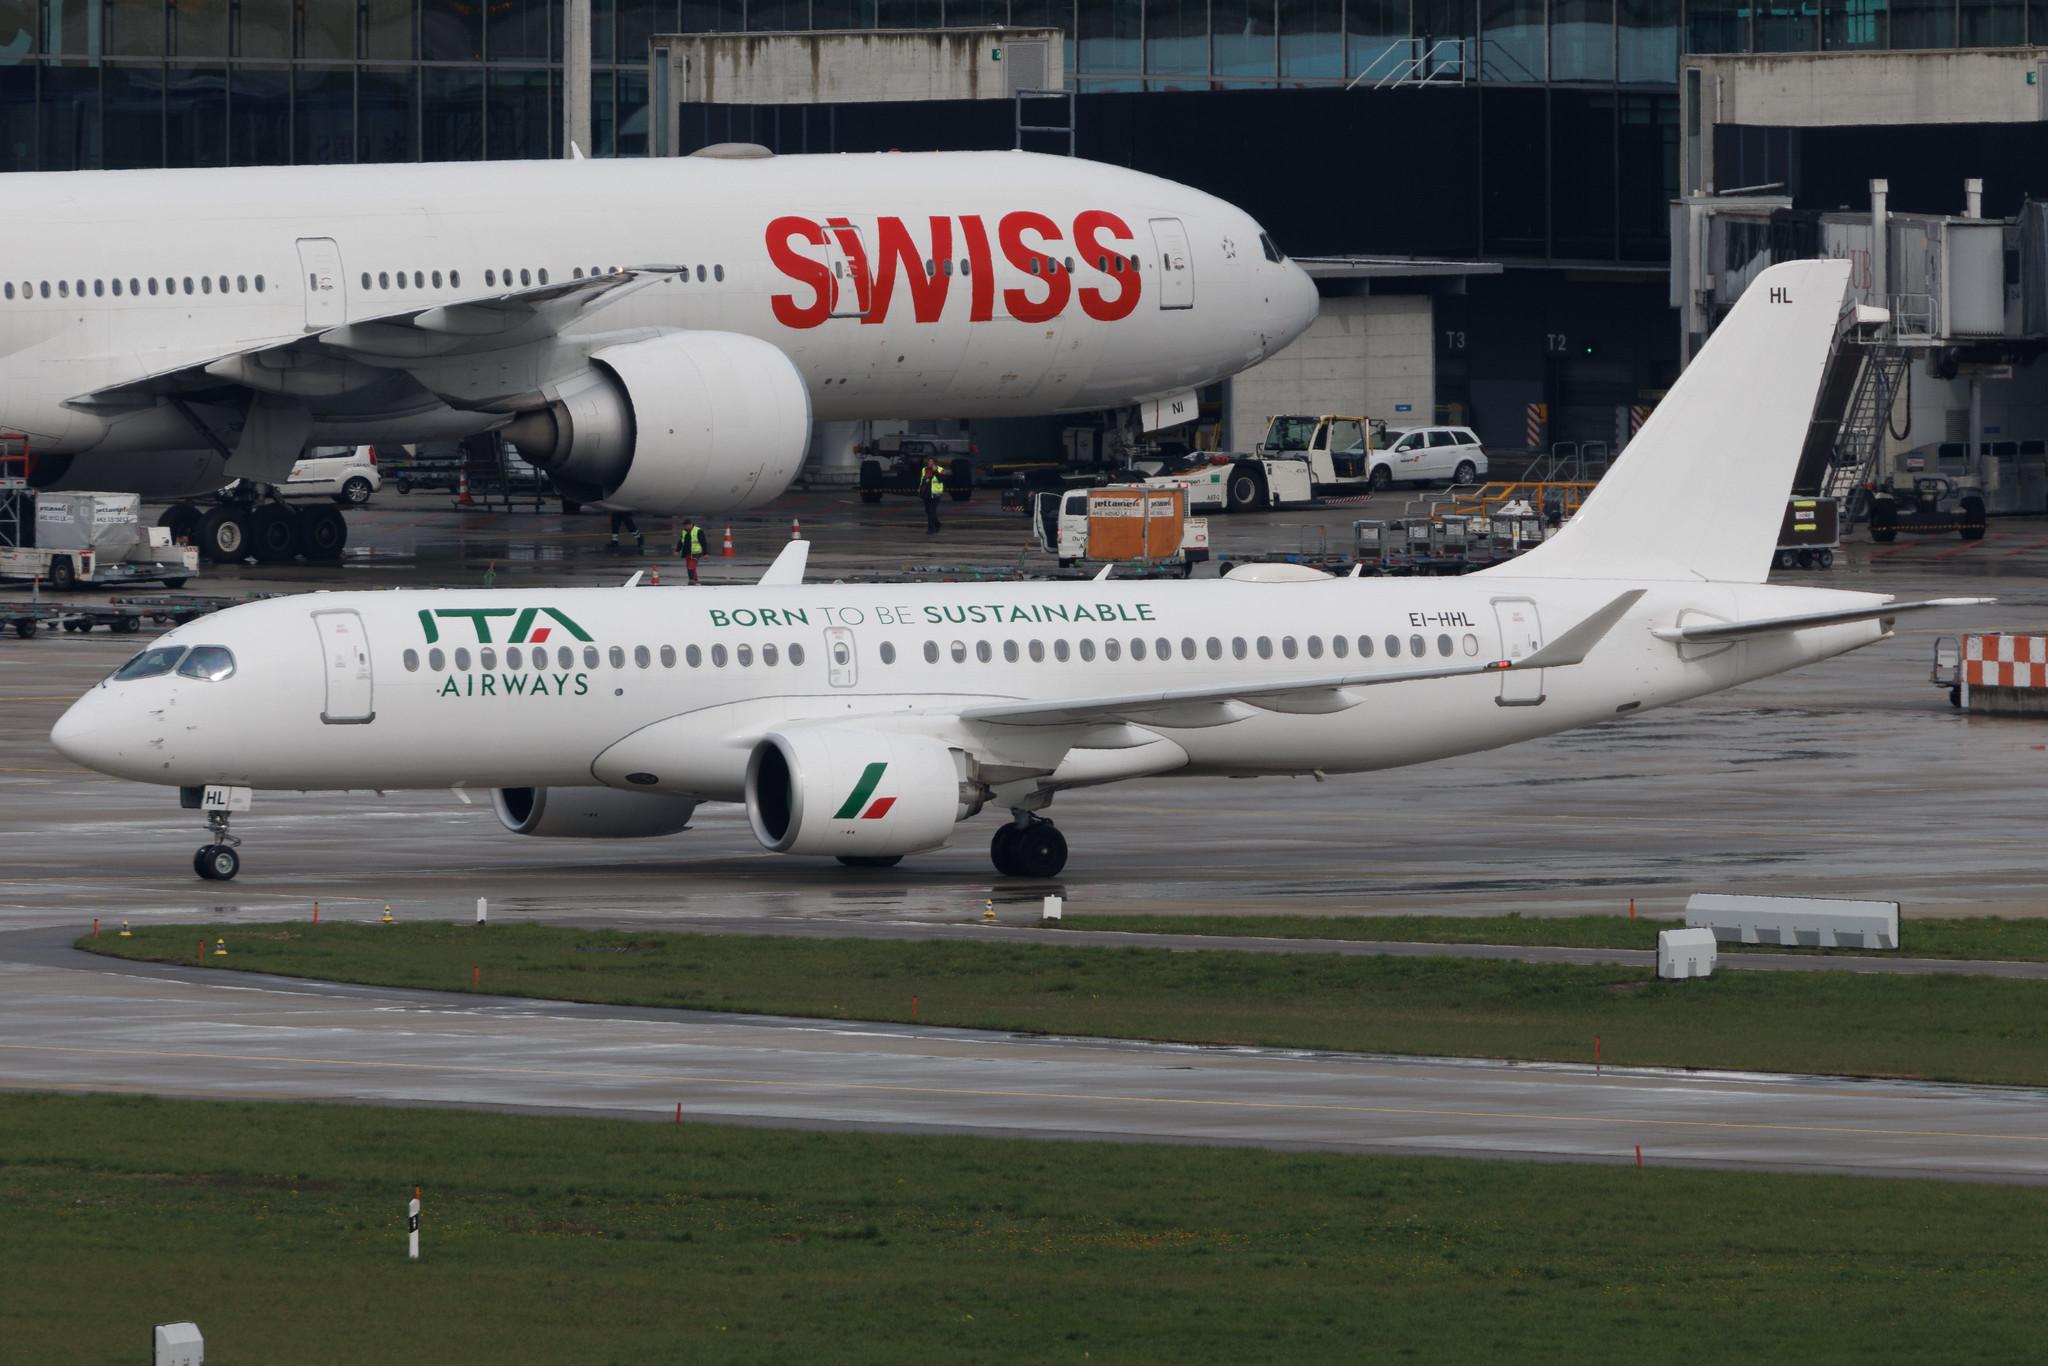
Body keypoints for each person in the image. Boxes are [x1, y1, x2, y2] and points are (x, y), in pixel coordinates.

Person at [675, 516, 706, 585]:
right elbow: (681, 541)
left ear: (691, 524)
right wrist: (677, 550)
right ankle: (695, 580)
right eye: (685, 526)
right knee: (690, 567)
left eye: (687, 525)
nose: (686, 527)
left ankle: (691, 580)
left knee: (691, 567)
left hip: (696, 553)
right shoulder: (684, 531)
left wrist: (705, 553)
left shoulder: (698, 531)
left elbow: (703, 542)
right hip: (687, 553)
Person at [919, 458, 945, 534]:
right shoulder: (924, 469)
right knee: (928, 511)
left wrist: (935, 471)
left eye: (931, 462)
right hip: (927, 493)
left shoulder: (940, 469)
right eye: (929, 461)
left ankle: (931, 529)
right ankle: (937, 524)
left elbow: (941, 480)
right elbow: (922, 480)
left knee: (931, 511)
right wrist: (920, 491)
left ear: (935, 463)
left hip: (935, 494)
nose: (929, 463)